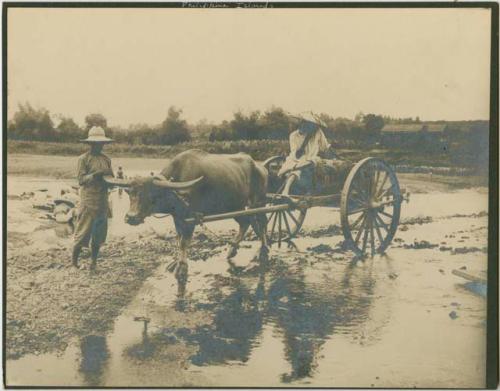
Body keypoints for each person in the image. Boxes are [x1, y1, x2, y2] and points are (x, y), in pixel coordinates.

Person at [72, 126, 114, 271]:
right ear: (90, 144)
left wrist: (114, 182)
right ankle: (74, 263)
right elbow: (81, 180)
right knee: (82, 232)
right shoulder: (83, 159)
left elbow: (110, 178)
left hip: (102, 201)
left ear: (103, 144)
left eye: (101, 143)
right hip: (88, 201)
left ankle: (94, 262)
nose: (98, 146)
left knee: (98, 235)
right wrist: (95, 175)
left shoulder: (106, 159)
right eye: (95, 143)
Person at [278, 112, 332, 194]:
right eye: (303, 124)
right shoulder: (293, 136)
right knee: (293, 167)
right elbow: (295, 153)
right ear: (300, 124)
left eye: (308, 125)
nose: (304, 126)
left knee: (302, 167)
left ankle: (286, 190)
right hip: (296, 158)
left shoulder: (318, 133)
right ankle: (286, 189)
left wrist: (329, 157)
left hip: (311, 158)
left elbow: (324, 147)